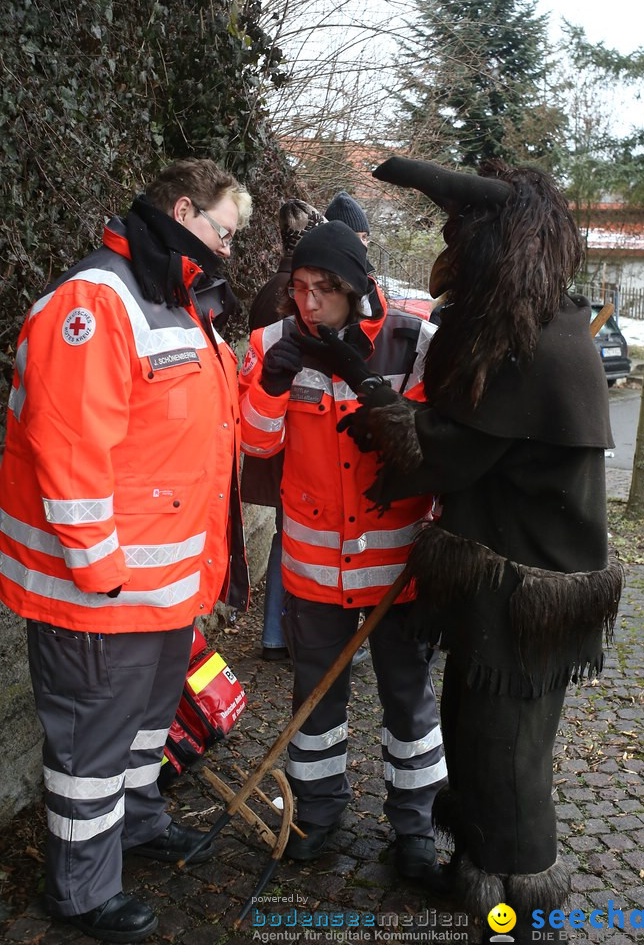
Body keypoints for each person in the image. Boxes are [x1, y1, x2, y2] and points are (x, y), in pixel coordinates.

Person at [317, 157, 624, 942]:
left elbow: (441, 451)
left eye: (460, 236)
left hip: (529, 596)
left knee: (507, 759)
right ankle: (479, 871)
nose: (447, 254)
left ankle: (515, 915)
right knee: (476, 738)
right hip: (505, 588)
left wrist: (367, 386)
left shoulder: (537, 347)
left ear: (500, 246)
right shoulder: (525, 329)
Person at [0, 158, 251, 944]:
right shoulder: (96, 302)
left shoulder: (173, 300)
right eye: (224, 232)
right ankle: (77, 892)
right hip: (97, 597)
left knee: (145, 730)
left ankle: (139, 824)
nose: (230, 253)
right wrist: (101, 573)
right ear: (184, 210)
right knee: (90, 751)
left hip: (157, 592)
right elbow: (68, 445)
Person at [237, 220, 446, 881]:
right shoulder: (271, 343)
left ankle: (415, 829)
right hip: (312, 570)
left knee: (409, 704)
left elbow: (425, 451)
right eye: (299, 287)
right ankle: (316, 814)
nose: (307, 303)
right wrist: (272, 382)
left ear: (357, 288)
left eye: (324, 289)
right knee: (314, 706)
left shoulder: (416, 343)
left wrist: (359, 377)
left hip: (397, 573)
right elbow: (255, 445)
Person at [241, 199, 324, 661]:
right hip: (290, 431)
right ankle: (286, 632)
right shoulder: (295, 296)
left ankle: (278, 631)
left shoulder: (269, 289)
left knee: (284, 531)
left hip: (273, 429)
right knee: (294, 534)